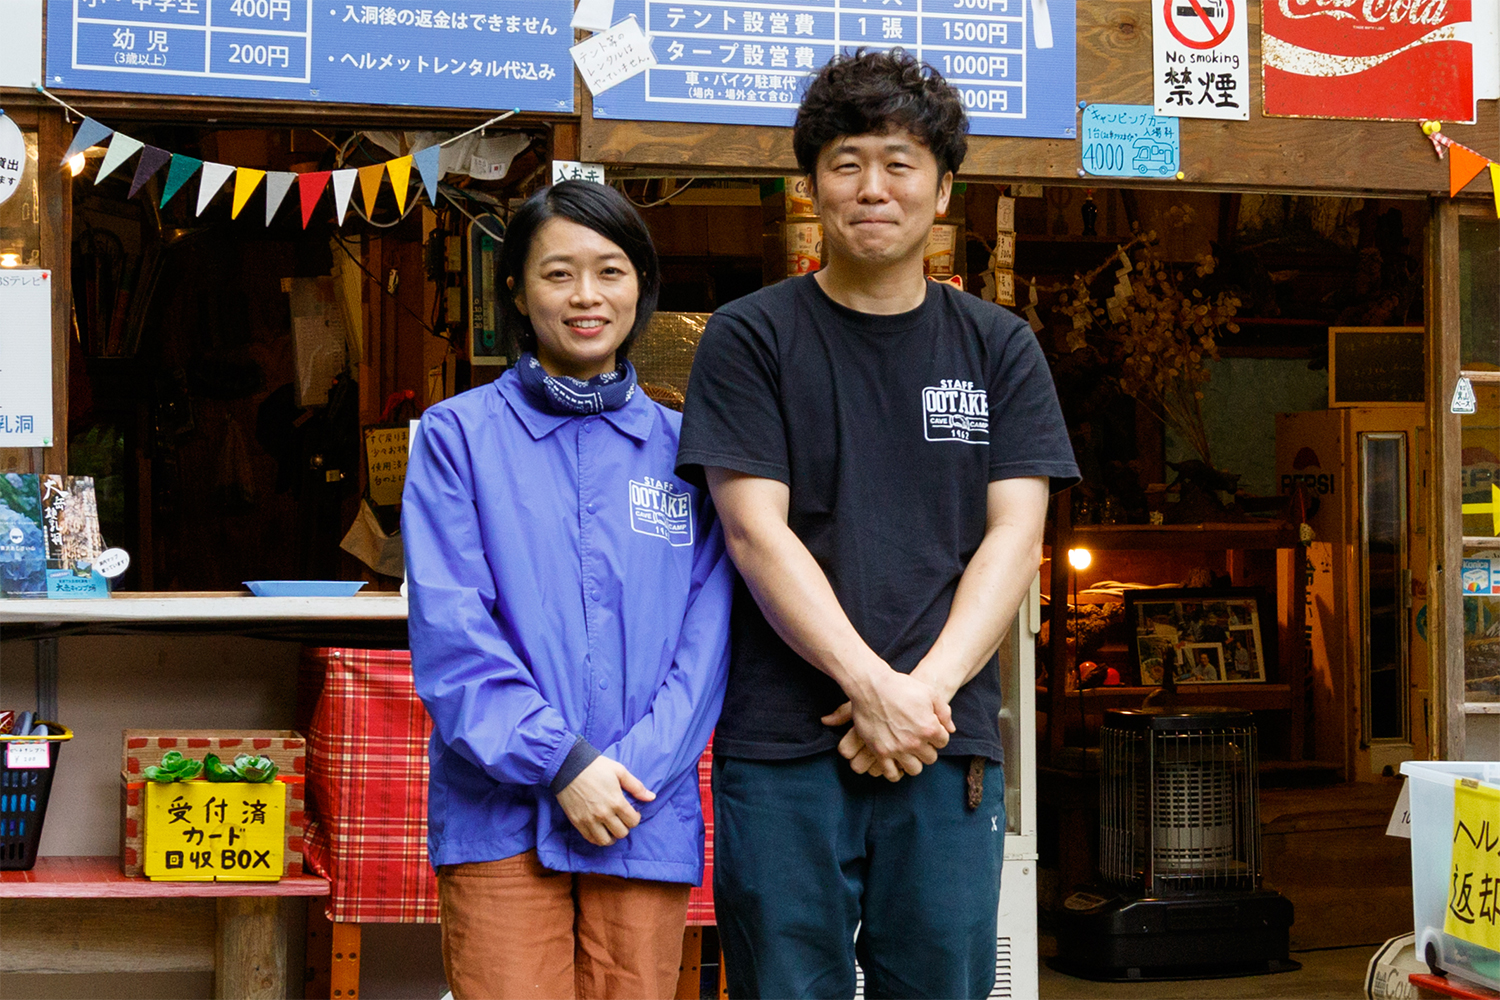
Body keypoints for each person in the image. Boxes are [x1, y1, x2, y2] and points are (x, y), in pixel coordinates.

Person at [676, 49, 1081, 1000]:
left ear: (944, 191)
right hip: (781, 743)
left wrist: (920, 697)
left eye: (900, 163)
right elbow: (751, 530)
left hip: (943, 745)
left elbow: (1016, 535)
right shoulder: (751, 335)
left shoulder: (998, 345)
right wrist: (870, 686)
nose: (873, 187)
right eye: (848, 161)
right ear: (812, 183)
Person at [404, 180, 733, 1000]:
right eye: (558, 274)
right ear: (515, 289)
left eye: (611, 271)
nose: (586, 296)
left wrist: (623, 775)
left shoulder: (688, 450)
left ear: (641, 288)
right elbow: (451, 631)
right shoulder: (457, 437)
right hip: (500, 813)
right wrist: (560, 762)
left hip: (639, 807)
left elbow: (710, 637)